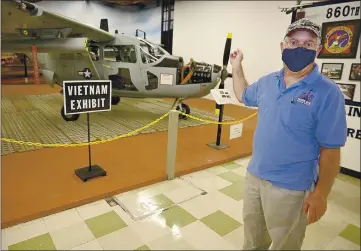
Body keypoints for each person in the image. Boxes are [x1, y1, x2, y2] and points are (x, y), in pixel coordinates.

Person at [230, 18, 347, 250]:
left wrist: (321, 194)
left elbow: (331, 150)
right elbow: (243, 94)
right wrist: (236, 67)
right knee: (253, 240)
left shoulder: (328, 93)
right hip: (255, 177)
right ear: (282, 47)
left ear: (318, 49)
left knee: (286, 245)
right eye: (293, 42)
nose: (299, 48)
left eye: (308, 43)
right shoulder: (267, 82)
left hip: (291, 188)